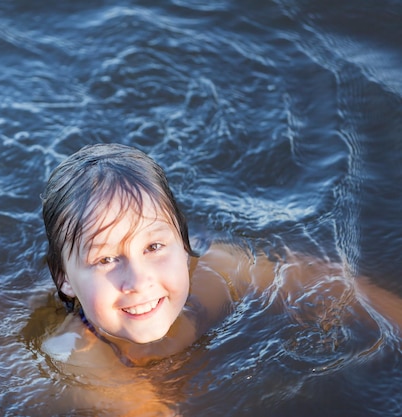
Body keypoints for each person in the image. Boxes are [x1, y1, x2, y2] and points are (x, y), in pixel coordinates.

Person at [37, 143, 402, 414]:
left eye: (154, 247)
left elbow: (327, 284)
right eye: (105, 258)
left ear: (183, 246)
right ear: (65, 279)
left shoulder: (217, 272)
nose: (138, 279)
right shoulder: (79, 354)